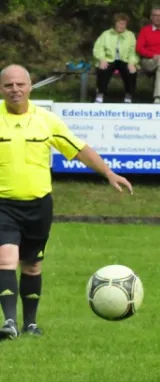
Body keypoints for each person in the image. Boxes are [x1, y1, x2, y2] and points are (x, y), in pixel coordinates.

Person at [0, 64, 133, 340]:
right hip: (3, 205)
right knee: (6, 259)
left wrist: (108, 173)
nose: (15, 90)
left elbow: (79, 149)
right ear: (1, 89)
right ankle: (9, 321)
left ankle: (31, 323)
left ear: (29, 87)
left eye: (20, 84)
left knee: (33, 265)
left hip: (38, 205)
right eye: (8, 85)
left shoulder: (46, 121)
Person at [93, 12, 139, 104]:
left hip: (124, 60)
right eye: (120, 23)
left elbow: (133, 51)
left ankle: (129, 95)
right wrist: (102, 58)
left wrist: (132, 62)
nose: (122, 26)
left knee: (131, 71)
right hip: (109, 59)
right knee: (103, 68)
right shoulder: (106, 34)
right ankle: (100, 94)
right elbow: (98, 48)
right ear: (115, 23)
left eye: (124, 24)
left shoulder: (130, 35)